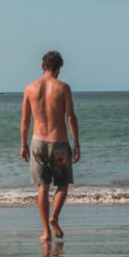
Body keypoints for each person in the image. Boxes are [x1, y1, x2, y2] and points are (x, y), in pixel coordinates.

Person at [20, 50, 80, 242]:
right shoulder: (63, 88)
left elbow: (25, 120)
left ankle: (46, 232)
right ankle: (55, 217)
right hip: (59, 143)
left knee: (42, 187)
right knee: (62, 184)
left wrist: (23, 144)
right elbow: (70, 117)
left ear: (42, 66)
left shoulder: (30, 88)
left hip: (37, 142)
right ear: (59, 68)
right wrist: (76, 143)